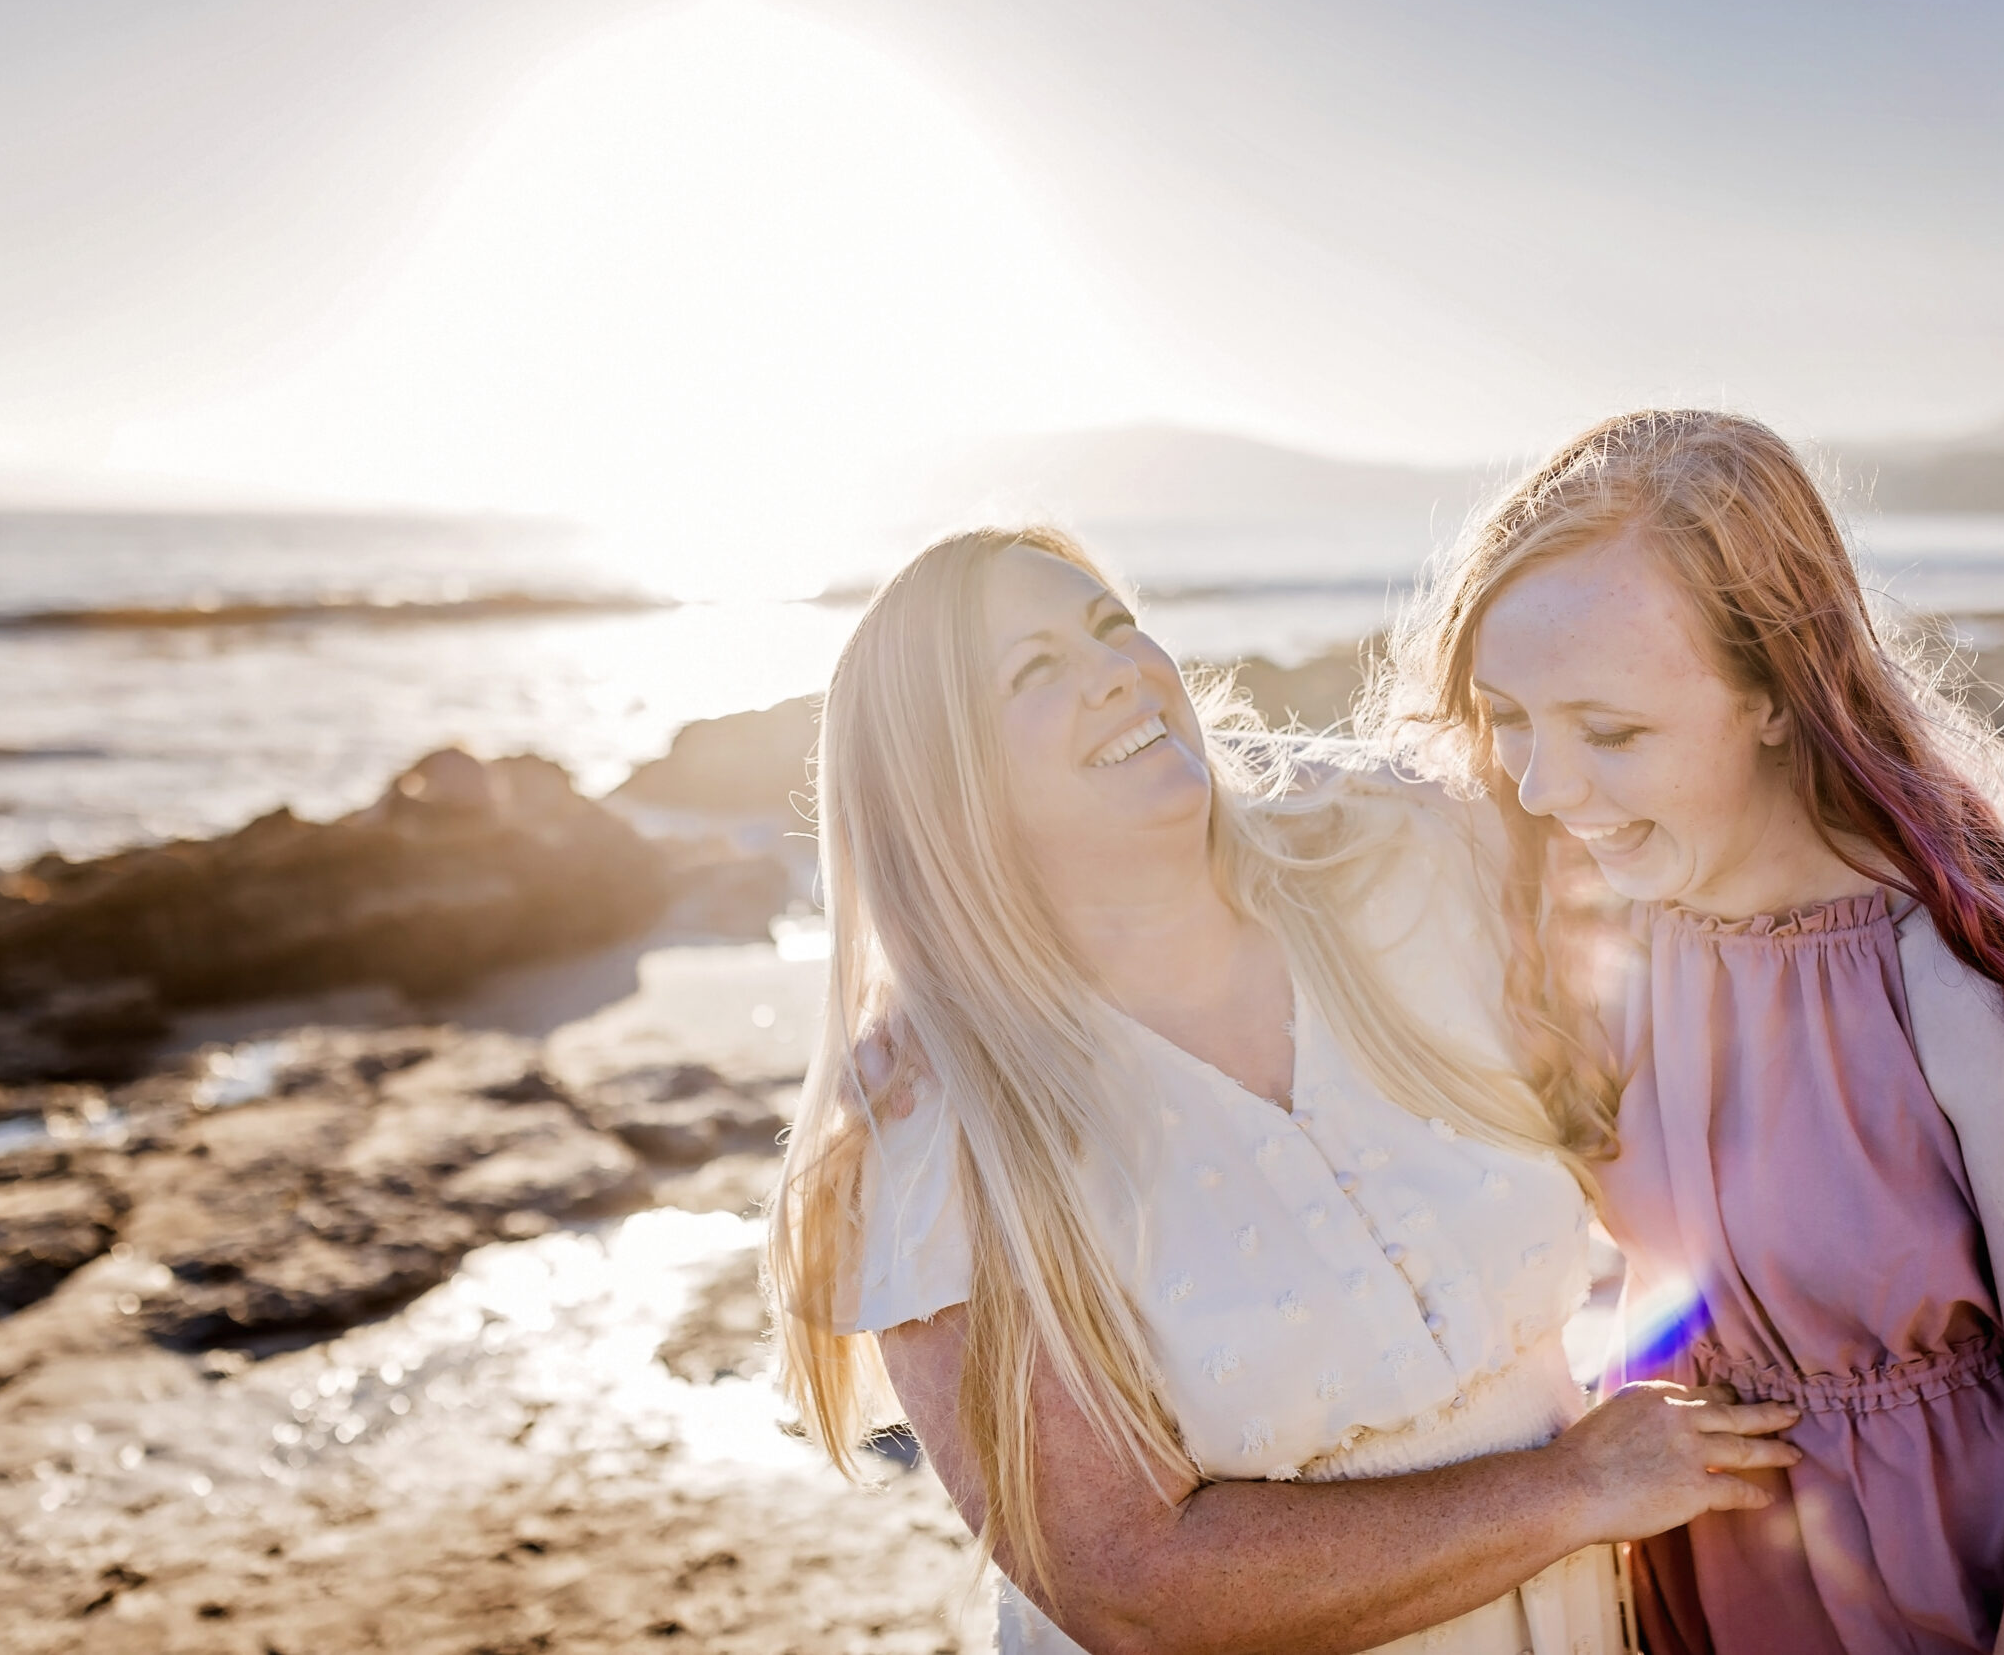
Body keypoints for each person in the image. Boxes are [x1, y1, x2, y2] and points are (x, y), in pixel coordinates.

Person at [765, 526, 1803, 1655]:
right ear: (942, 785)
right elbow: (1126, 1587)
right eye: (1033, 671)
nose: (1120, 667)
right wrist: (1573, 1490)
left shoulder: (1394, 857)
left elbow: (1693, 813)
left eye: (1112, 626)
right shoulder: (934, 1129)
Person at [1385, 410, 2004, 1654]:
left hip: (1987, 1606)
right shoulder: (1586, 930)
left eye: (1610, 732)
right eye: (1507, 715)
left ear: (1780, 694)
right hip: (1722, 1599)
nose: (1541, 786)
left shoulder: (1968, 974)